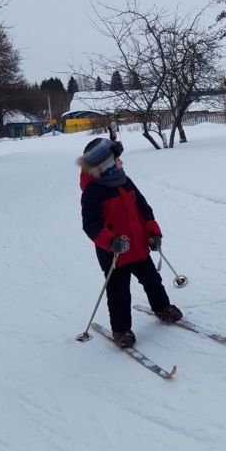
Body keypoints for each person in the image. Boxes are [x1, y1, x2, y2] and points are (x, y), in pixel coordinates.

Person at [76, 138, 182, 348]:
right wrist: (112, 242)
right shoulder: (93, 194)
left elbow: (143, 208)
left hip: (139, 247)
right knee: (119, 293)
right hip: (114, 255)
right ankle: (122, 330)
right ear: (105, 166)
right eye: (117, 160)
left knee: (153, 281)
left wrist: (152, 232)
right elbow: (92, 226)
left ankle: (162, 308)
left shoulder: (124, 181)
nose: (121, 163)